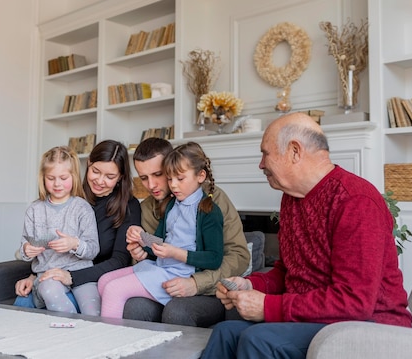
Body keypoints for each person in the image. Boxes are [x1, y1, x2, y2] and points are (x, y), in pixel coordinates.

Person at [201, 112, 412, 359]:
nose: (260, 164)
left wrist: (267, 307)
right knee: (226, 332)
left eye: (265, 153)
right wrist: (249, 285)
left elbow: (355, 303)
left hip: (372, 327)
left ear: (294, 151)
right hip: (317, 321)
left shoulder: (355, 201)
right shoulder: (292, 199)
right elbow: (288, 271)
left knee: (259, 340)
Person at [122, 137, 250, 327]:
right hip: (164, 281)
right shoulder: (148, 206)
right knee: (134, 306)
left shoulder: (211, 200)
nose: (151, 185)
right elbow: (154, 254)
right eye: (143, 178)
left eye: (158, 174)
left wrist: (196, 283)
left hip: (208, 288)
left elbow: (238, 256)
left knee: (178, 311)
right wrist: (139, 253)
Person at [98, 142, 224, 318]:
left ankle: (105, 342)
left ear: (201, 176)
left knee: (114, 289)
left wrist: (176, 253)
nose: (173, 185)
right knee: (104, 280)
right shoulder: (172, 204)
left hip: (179, 274)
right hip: (160, 268)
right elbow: (158, 244)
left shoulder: (209, 210)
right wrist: (141, 237)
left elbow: (214, 258)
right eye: (170, 179)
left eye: (179, 179)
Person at [14, 140, 141, 309]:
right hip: (54, 277)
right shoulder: (68, 194)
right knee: (23, 300)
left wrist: (71, 276)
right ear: (88, 164)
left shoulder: (127, 206)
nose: (100, 181)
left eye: (110, 176)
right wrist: (33, 276)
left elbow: (119, 261)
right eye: (95, 171)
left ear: (120, 177)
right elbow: (42, 247)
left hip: (88, 278)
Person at [17, 146, 100, 315]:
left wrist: (74, 244)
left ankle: (91, 339)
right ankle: (69, 336)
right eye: (51, 178)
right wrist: (27, 249)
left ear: (74, 177)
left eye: (63, 178)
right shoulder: (34, 210)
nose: (57, 184)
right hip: (48, 275)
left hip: (80, 273)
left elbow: (93, 250)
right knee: (49, 291)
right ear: (43, 178)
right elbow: (24, 249)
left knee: (92, 310)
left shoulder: (82, 208)